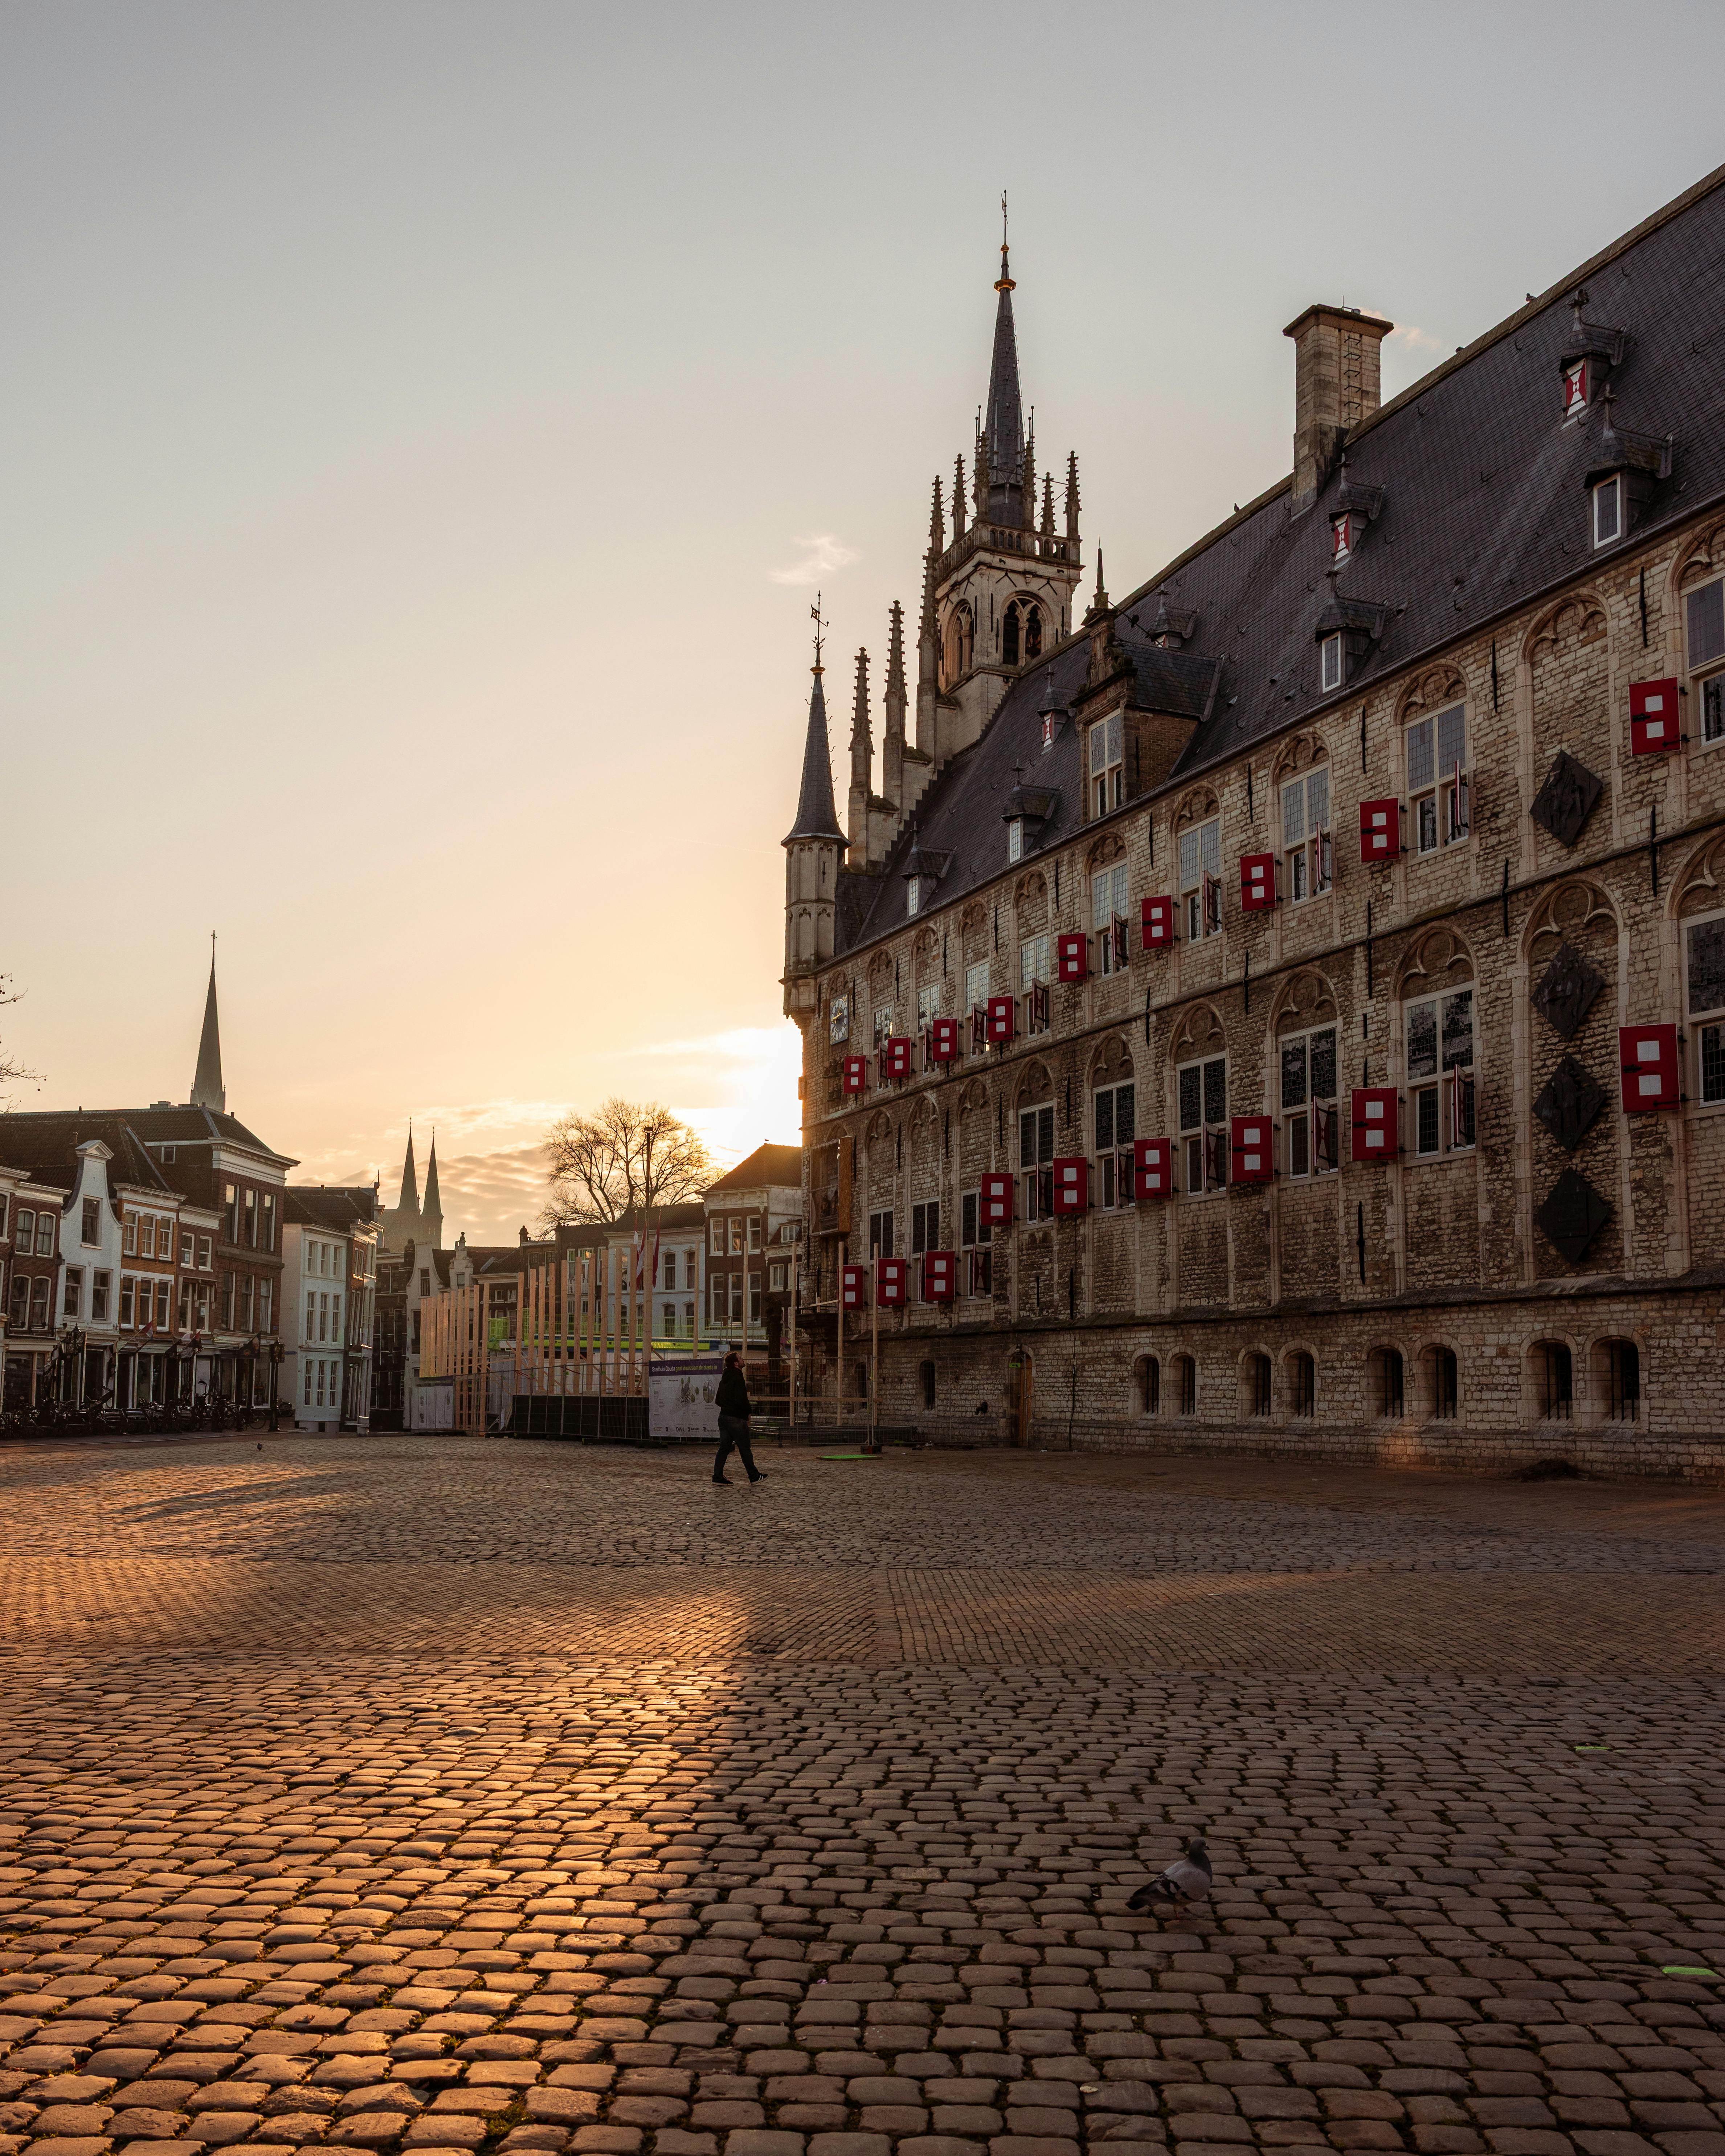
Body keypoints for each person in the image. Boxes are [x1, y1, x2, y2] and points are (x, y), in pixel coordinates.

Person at [712, 1350, 766, 1486]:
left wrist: (727, 1406)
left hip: (723, 1417)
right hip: (736, 1418)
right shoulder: (738, 1378)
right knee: (745, 1447)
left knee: (724, 1448)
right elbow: (741, 1399)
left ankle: (718, 1477)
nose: (743, 1360)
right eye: (741, 1358)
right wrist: (748, 1411)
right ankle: (754, 1476)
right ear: (736, 1364)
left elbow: (718, 1400)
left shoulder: (724, 1380)